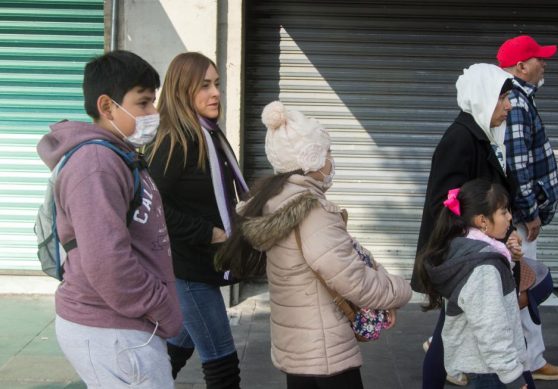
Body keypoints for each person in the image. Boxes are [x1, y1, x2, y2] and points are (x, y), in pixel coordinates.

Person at [216, 101, 412, 389]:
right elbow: (351, 277)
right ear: (312, 158)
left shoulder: (274, 200)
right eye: (328, 152)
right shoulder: (311, 211)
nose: (332, 160)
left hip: (298, 347)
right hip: (324, 349)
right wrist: (397, 291)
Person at [37, 50, 182, 388]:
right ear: (107, 106)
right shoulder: (97, 164)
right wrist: (161, 307)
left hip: (124, 325)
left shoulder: (119, 155)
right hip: (114, 330)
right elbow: (107, 261)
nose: (154, 113)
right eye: (143, 103)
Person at [412, 63, 518, 388]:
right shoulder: (461, 139)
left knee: (449, 333)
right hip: (466, 261)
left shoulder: (479, 136)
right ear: (484, 98)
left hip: (470, 257)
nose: (508, 106)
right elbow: (443, 204)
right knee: (449, 334)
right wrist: (484, 235)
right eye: (502, 98)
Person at [145, 52, 245, 389]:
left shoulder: (208, 135)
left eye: (216, 83)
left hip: (201, 267)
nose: (215, 92)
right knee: (223, 366)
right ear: (181, 91)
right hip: (187, 273)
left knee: (174, 351)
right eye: (204, 86)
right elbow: (152, 206)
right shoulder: (175, 140)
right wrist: (211, 232)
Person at [497, 35, 558, 381]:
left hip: (517, 214)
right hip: (522, 217)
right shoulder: (518, 104)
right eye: (539, 59)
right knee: (524, 285)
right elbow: (519, 166)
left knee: (506, 284)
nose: (545, 64)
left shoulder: (518, 100)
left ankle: (444, 345)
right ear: (522, 66)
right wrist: (530, 212)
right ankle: (532, 360)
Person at [416, 178, 528, 389]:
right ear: (482, 221)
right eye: (504, 212)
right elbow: (491, 326)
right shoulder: (483, 267)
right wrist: (512, 375)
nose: (510, 218)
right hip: (491, 370)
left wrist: (510, 260)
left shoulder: (468, 250)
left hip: (487, 365)